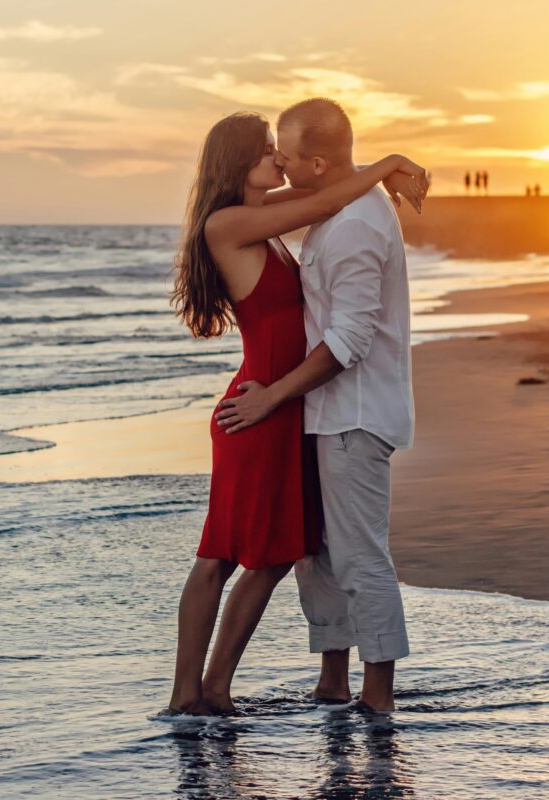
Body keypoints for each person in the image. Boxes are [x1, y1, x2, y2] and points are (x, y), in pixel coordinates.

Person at [167, 109, 428, 716]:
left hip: (284, 405)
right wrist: (386, 164)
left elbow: (321, 188)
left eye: (280, 151)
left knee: (280, 553)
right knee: (224, 554)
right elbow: (318, 198)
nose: (277, 161)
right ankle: (191, 695)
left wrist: (369, 171)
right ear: (240, 164)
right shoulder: (232, 223)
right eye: (266, 151)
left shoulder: (261, 219)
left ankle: (215, 691)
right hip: (260, 407)